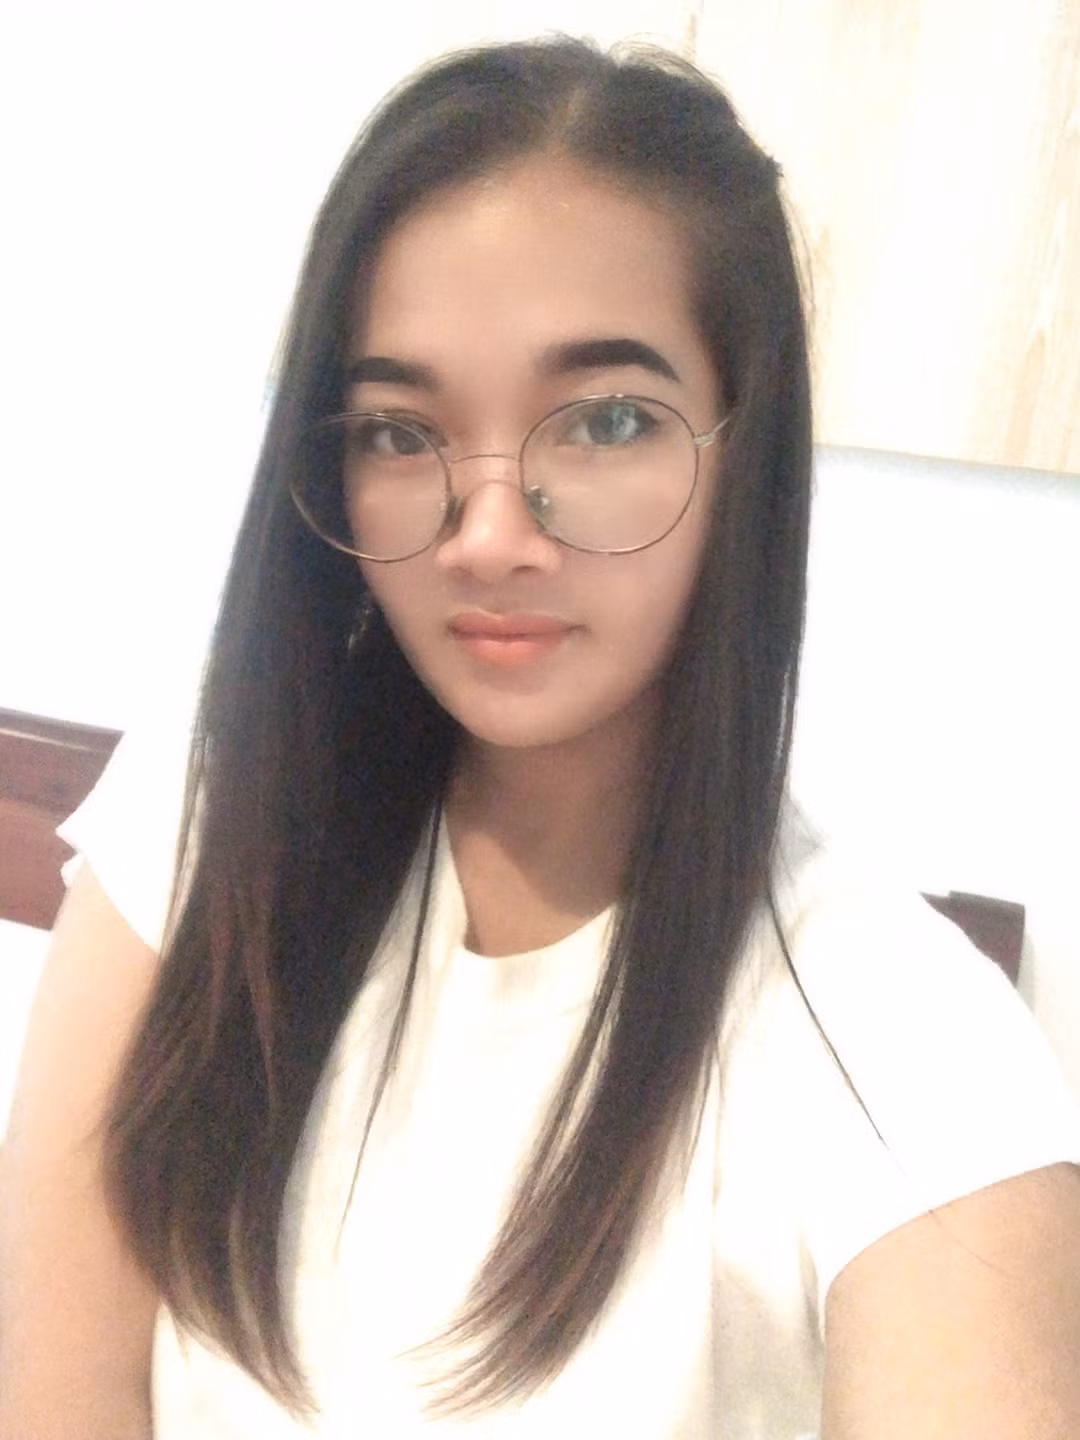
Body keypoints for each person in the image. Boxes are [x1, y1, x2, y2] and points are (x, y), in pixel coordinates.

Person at [2, 35, 1079, 1440]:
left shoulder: (902, 1045)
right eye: (400, 433)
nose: (489, 534)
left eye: (608, 420)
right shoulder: (215, 813)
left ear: (744, 447)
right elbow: (57, 1391)